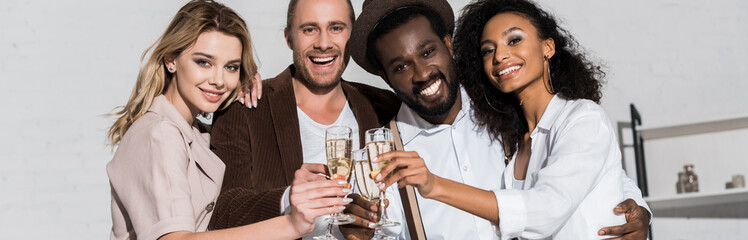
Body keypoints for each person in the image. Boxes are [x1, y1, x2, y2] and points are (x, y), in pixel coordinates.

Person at [347, 0, 652, 239]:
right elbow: (382, 230)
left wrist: (637, 209)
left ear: (448, 45)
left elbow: (582, 165)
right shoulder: (383, 154)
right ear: (385, 77)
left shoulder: (500, 103)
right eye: (400, 67)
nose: (422, 73)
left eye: (428, 52)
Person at [105, 1, 350, 239]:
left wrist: (242, 91)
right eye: (204, 62)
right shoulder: (158, 133)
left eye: (231, 67)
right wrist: (291, 224)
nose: (219, 80)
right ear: (171, 60)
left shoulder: (195, 132)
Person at [206, 0, 400, 238]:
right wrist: (287, 199)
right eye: (309, 29)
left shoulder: (385, 105)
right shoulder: (245, 106)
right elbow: (222, 211)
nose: (323, 43)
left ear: (353, 35)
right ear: (289, 38)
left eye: (336, 28)